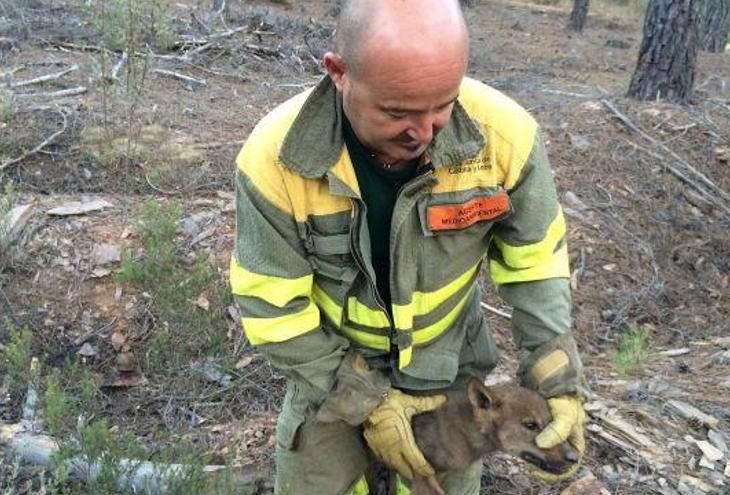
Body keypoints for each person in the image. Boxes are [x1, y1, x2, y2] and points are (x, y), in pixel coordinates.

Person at [230, 0, 587, 493]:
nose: (423, 132)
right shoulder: (277, 159)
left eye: (443, 105)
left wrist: (557, 383)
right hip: (330, 371)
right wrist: (367, 401)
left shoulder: (505, 138)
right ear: (339, 73)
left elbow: (536, 269)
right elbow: (272, 310)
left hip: (449, 373)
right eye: (397, 112)